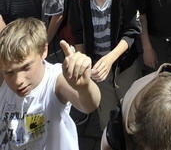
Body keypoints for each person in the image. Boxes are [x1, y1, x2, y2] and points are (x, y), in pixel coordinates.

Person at [0, 17, 100, 149]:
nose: (18, 80)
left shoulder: (55, 80)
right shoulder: (4, 83)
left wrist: (84, 87)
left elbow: (89, 105)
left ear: (43, 51)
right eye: (9, 72)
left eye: (26, 67)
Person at [71, 0, 141, 129]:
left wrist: (110, 59)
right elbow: (78, 32)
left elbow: (132, 31)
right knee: (107, 114)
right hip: (96, 67)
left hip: (124, 65)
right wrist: (83, 58)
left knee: (130, 108)